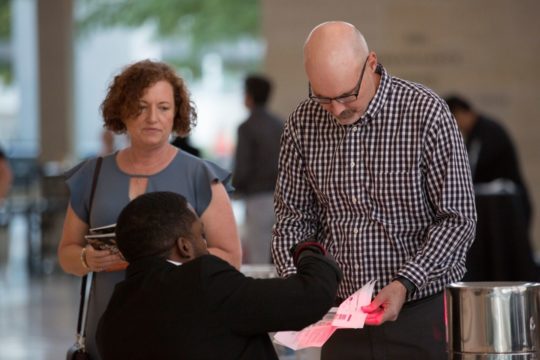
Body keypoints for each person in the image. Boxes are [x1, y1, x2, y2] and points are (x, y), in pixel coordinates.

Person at [272, 21, 477, 359]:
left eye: (346, 96)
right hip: (339, 319)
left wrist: (404, 283)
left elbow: (457, 219)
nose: (336, 110)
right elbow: (292, 222)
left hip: (419, 312)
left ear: (371, 64)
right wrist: (300, 287)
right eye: (323, 98)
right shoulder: (302, 123)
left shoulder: (425, 113)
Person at [57, 60, 242, 359]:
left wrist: (165, 261)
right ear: (122, 110)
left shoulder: (200, 175)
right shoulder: (92, 175)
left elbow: (230, 258)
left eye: (164, 107)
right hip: (106, 333)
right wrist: (87, 258)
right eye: (140, 107)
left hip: (180, 333)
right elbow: (66, 253)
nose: (152, 118)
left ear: (176, 113)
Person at [96, 191, 341, 360]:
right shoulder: (202, 281)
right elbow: (309, 297)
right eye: (200, 235)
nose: (205, 243)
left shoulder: (111, 317)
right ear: (185, 246)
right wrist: (308, 249)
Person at [445, 94, 532, 228]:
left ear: (462, 113)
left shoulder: (488, 132)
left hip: (506, 207)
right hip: (495, 207)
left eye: (453, 119)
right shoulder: (475, 135)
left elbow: (476, 170)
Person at [232, 74, 284, 263]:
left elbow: (243, 165)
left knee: (258, 258)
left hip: (256, 198)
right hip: (282, 199)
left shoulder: (246, 127)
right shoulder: (280, 124)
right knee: (280, 256)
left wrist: (234, 189)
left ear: (250, 96)